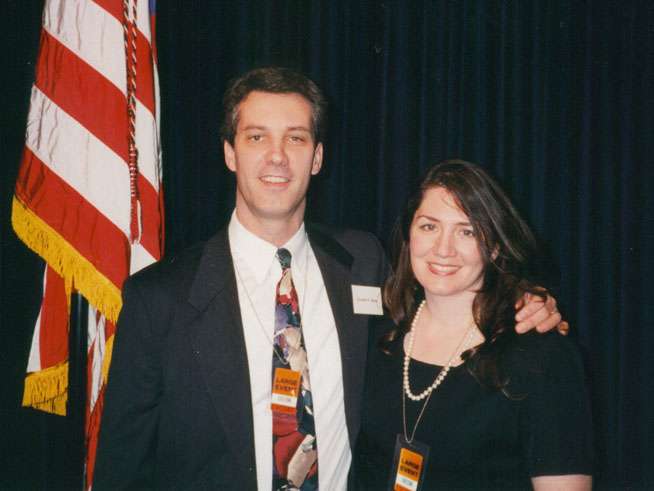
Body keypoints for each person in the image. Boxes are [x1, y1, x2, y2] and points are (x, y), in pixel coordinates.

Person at [93, 68, 562, 490]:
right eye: (257, 137)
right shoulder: (160, 298)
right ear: (230, 153)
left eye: (295, 139)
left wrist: (520, 300)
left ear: (317, 157)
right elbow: (122, 469)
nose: (277, 157)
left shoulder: (364, 261)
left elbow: (450, 299)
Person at [354, 160, 593, 490]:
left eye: (466, 231)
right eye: (429, 226)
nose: (443, 249)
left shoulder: (541, 355)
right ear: (409, 234)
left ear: (494, 246)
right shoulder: (376, 335)